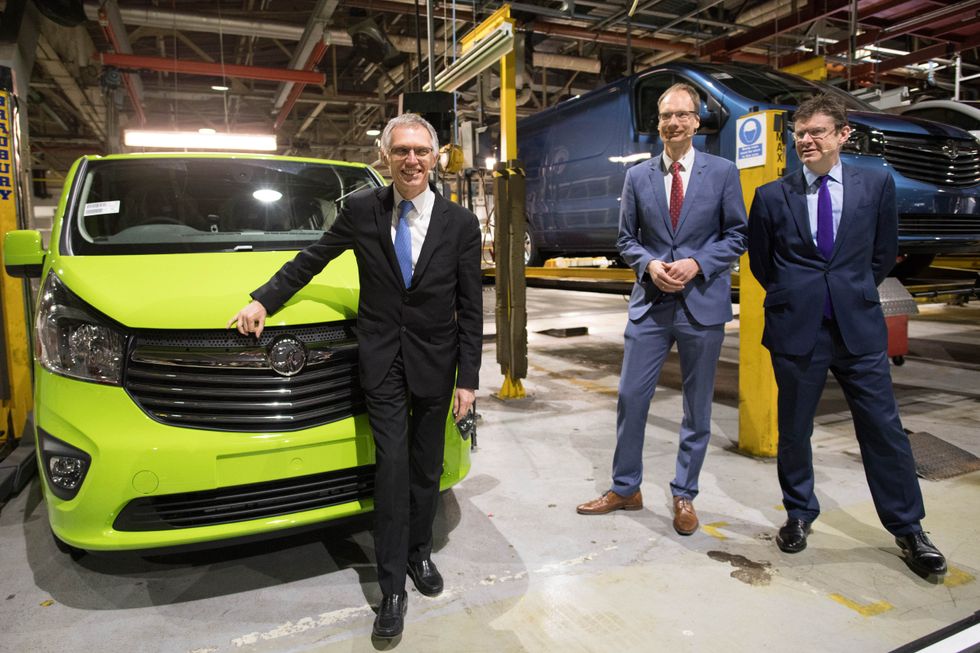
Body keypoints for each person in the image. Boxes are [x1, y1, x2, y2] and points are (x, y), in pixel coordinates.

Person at [229, 113, 483, 637]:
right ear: (386, 158)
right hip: (383, 359)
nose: (411, 160)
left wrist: (469, 379)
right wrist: (263, 300)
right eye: (401, 151)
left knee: (426, 465)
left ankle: (419, 554)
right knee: (390, 468)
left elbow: (472, 306)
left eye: (420, 151)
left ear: (435, 158)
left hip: (437, 362)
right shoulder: (362, 209)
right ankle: (391, 587)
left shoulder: (460, 224)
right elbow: (312, 259)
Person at [746, 94, 946, 578]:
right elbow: (762, 263)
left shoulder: (874, 184)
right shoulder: (773, 195)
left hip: (857, 327)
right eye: (800, 133)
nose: (806, 140)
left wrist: (849, 290)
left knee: (883, 428)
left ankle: (909, 528)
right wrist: (800, 293)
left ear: (842, 135)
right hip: (798, 329)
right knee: (794, 429)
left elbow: (883, 254)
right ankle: (799, 512)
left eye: (817, 131)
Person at [577, 83, 747, 536]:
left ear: (696, 122)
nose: (673, 123)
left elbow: (737, 235)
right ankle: (626, 487)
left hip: (701, 305)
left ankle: (684, 494)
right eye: (665, 116)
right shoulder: (638, 177)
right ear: (658, 124)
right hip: (651, 306)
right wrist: (649, 264)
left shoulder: (723, 173)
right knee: (632, 398)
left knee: (697, 408)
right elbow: (625, 239)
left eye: (682, 115)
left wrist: (697, 263)